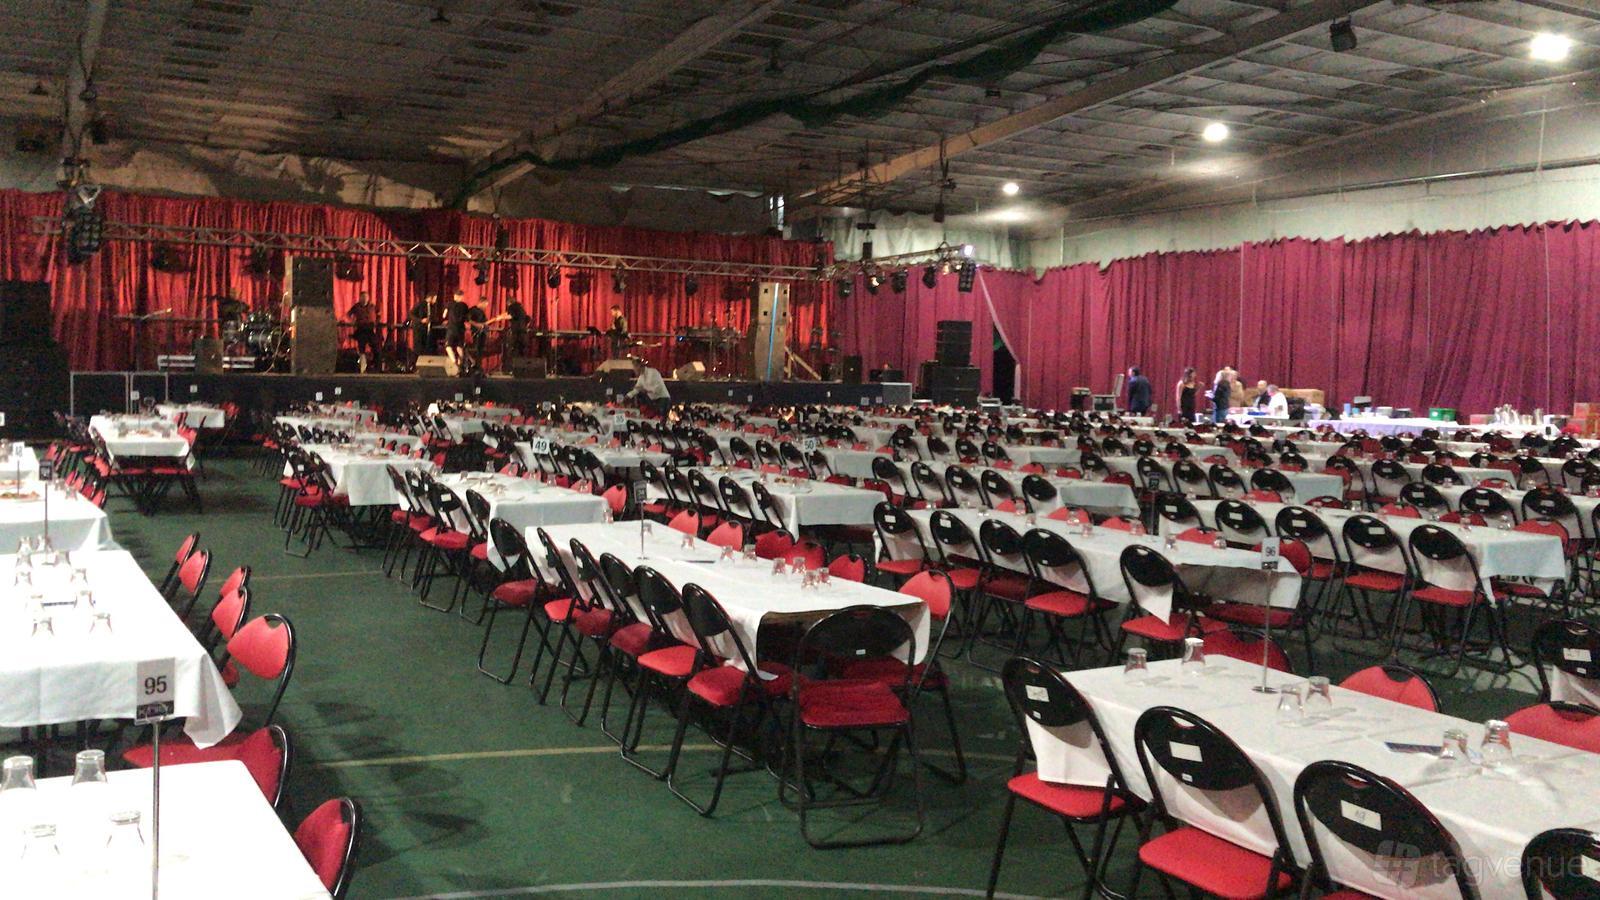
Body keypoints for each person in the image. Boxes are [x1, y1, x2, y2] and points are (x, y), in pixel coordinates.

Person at [347, 291, 380, 373]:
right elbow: (348, 314)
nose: (364, 299)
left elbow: (379, 314)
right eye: (363, 297)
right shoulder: (356, 306)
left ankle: (375, 366)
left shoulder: (372, 306)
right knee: (362, 348)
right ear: (360, 298)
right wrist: (352, 321)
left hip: (370, 329)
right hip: (361, 329)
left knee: (376, 347)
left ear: (368, 298)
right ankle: (362, 367)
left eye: (366, 297)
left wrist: (376, 322)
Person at [443, 290, 471, 374]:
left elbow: (444, 315)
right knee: (459, 347)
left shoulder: (449, 304)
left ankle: (454, 362)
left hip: (451, 328)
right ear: (461, 297)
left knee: (448, 346)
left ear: (455, 296)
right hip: (461, 329)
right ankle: (461, 365)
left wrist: (447, 319)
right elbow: (467, 318)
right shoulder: (465, 306)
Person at [409, 293, 440, 363]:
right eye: (435, 299)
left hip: (428, 330)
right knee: (418, 348)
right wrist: (420, 320)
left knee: (427, 348)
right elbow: (411, 314)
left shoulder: (432, 307)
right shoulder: (420, 304)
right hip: (419, 329)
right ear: (430, 298)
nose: (435, 301)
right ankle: (413, 364)